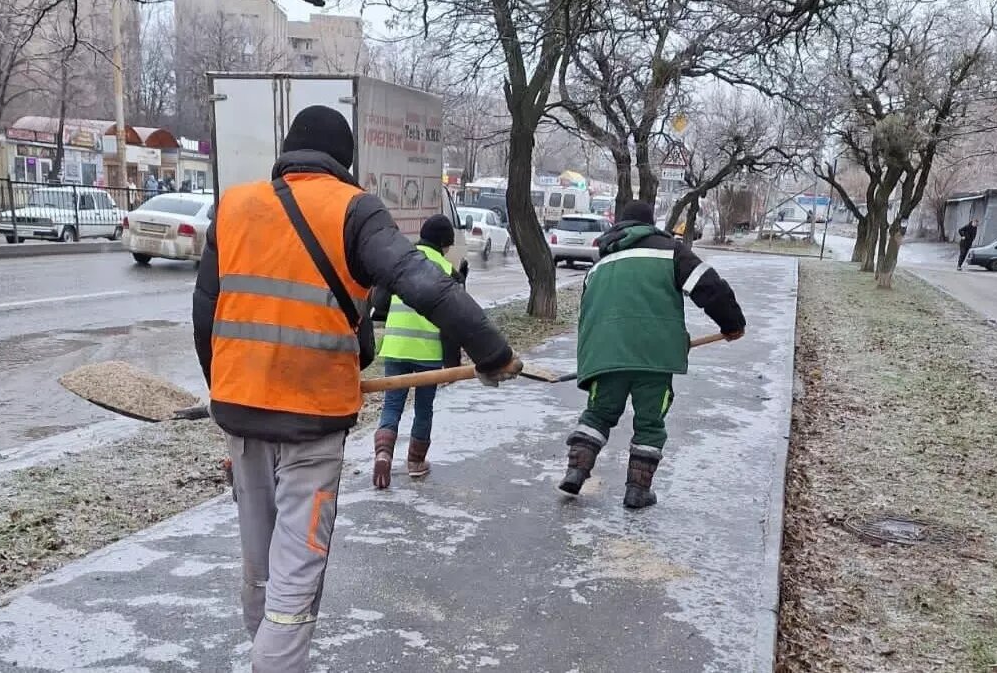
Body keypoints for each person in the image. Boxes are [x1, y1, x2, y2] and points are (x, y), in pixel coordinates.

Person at [192, 105, 522, 672]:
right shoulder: (354, 210)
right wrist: (493, 352)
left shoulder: (235, 206)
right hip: (312, 425)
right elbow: (423, 282)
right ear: (345, 162)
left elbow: (206, 313)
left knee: (260, 570)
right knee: (295, 581)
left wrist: (223, 391)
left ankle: (266, 653)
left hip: (241, 416)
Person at [559, 200, 746, 510]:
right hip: (654, 358)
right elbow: (709, 287)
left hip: (606, 356)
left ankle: (576, 472)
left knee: (598, 414)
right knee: (649, 423)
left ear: (620, 226)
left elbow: (588, 316)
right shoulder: (669, 251)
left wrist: (591, 359)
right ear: (650, 225)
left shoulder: (599, 265)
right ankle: (637, 491)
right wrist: (732, 323)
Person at [370, 214, 465, 488]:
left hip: (396, 346)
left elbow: (379, 302)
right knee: (424, 409)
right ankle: (415, 463)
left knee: (392, 404)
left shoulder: (400, 263)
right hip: (428, 352)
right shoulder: (447, 271)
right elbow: (453, 323)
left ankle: (384, 455)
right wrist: (452, 364)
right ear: (445, 244)